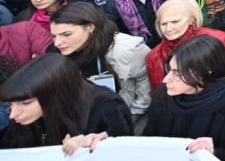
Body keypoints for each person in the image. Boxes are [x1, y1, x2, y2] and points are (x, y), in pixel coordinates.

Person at [143, 35, 225, 159]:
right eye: (169, 69)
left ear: (205, 71)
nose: (166, 79)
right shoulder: (165, 91)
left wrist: (214, 152)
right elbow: (148, 141)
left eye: (177, 73)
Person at [0, 53, 132, 149]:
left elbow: (125, 151)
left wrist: (95, 147)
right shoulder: (24, 119)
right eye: (10, 105)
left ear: (54, 94)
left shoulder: (106, 109)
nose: (13, 114)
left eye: (26, 103)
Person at [49, 2, 152, 121]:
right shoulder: (55, 53)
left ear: (91, 27)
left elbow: (145, 79)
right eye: (53, 36)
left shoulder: (126, 49)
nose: (57, 43)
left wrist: (133, 115)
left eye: (66, 34)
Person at [145, 0, 225, 90]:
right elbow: (159, 94)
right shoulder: (153, 57)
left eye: (175, 21)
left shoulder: (220, 40)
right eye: (164, 24)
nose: (168, 29)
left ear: (191, 20)